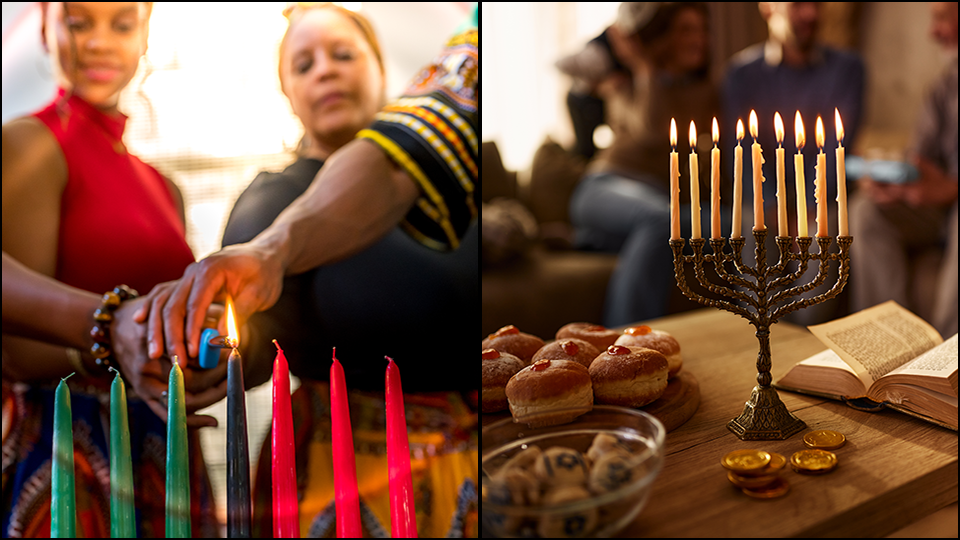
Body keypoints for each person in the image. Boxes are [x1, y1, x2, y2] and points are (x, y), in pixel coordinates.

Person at [137, 3, 478, 537]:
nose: (326, 70)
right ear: (288, 94)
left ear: (384, 73)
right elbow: (249, 338)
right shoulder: (274, 203)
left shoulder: (449, 187)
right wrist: (197, 358)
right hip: (346, 477)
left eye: (344, 54)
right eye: (304, 64)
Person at [1, 3, 224, 537]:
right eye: (79, 21)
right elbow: (17, 350)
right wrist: (114, 338)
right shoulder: (27, 144)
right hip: (70, 449)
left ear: (145, 36)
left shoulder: (164, 187)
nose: (100, 42)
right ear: (45, 28)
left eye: (122, 24)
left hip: (166, 447)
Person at [567, 2, 724, 326]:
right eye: (686, 30)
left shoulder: (706, 92)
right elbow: (653, 131)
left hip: (660, 199)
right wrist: (645, 67)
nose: (699, 39)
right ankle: (628, 342)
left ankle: (597, 240)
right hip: (606, 186)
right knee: (661, 221)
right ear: (663, 37)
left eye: (702, 30)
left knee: (730, 225)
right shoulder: (625, 84)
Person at [722, 1, 865, 324]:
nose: (811, 14)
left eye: (817, 4)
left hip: (824, 200)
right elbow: (743, 151)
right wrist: (774, 205)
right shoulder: (742, 74)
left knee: (826, 235)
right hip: (763, 198)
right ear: (768, 7)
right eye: (799, 4)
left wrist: (810, 207)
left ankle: (799, 348)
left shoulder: (848, 68)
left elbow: (837, 147)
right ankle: (761, 336)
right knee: (751, 226)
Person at [850, 1, 958, 338]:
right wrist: (896, 182)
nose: (932, 31)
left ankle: (946, 362)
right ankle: (886, 345)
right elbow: (918, 159)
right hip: (937, 211)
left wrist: (952, 188)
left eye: (941, 18)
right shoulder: (943, 87)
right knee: (867, 211)